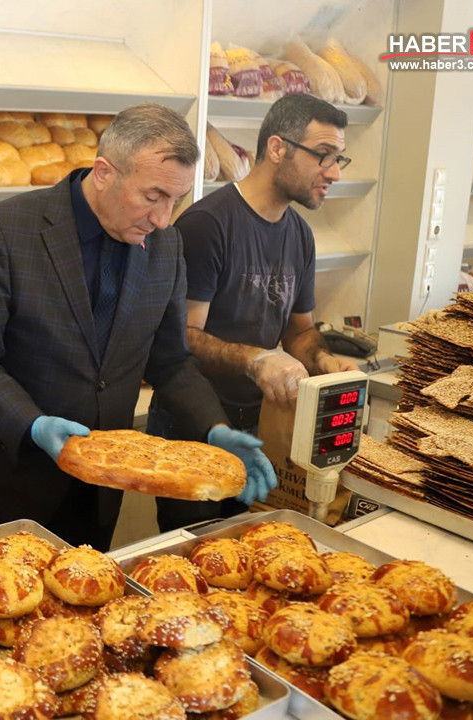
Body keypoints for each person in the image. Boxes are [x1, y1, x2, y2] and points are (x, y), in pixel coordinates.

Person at [0, 103, 277, 551]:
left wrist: (212, 428)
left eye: (176, 200)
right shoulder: (9, 228)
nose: (163, 218)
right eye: (153, 196)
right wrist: (33, 424)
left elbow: (171, 362)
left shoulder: (166, 245)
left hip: (98, 492)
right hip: (9, 482)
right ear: (104, 173)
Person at [148, 94, 360, 533]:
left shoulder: (299, 234)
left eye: (339, 159)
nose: (334, 172)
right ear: (278, 148)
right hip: (196, 426)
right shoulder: (208, 225)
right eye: (323, 155)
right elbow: (181, 337)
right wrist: (256, 359)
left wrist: (323, 361)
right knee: (197, 554)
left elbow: (299, 332)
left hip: (260, 425)